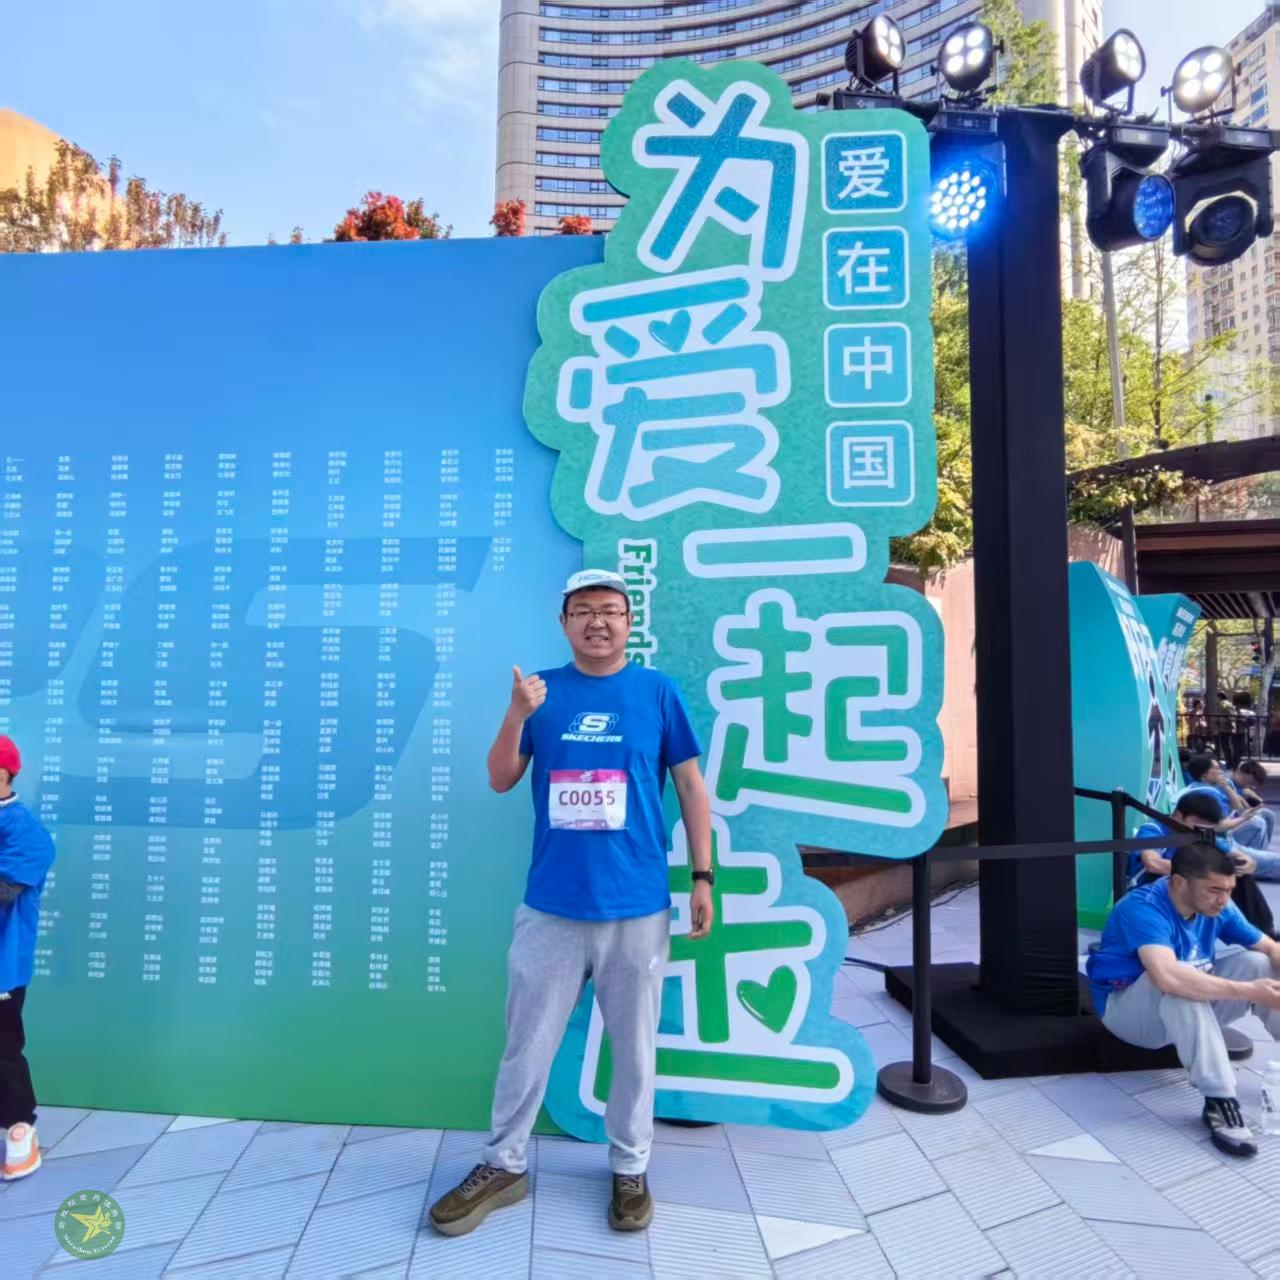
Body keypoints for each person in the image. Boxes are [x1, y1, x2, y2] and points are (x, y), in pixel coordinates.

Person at [428, 569, 713, 1238]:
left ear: (629, 622)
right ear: (564, 623)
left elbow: (691, 788)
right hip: (552, 906)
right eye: (583, 611)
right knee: (525, 1045)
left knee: (634, 1049)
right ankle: (503, 1164)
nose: (597, 621)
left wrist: (703, 876)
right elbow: (500, 779)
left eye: (610, 610)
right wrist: (515, 714)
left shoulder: (658, 691)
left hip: (636, 906)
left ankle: (630, 1168)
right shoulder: (541, 694)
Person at [1088, 842, 1280, 1157]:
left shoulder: (1219, 906)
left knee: (1258, 962)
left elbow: (1270, 948)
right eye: (1214, 890)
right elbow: (1167, 977)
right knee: (1179, 981)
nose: (1224, 900)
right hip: (1130, 1016)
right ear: (1179, 883)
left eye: (1229, 890)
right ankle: (1220, 1100)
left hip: (1184, 1008)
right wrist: (1249, 991)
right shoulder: (1143, 908)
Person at [0, 735, 56, 1180]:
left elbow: (4, 891)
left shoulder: (27, 833)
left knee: (2, 1049)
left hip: (2, 966)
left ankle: (20, 1127)